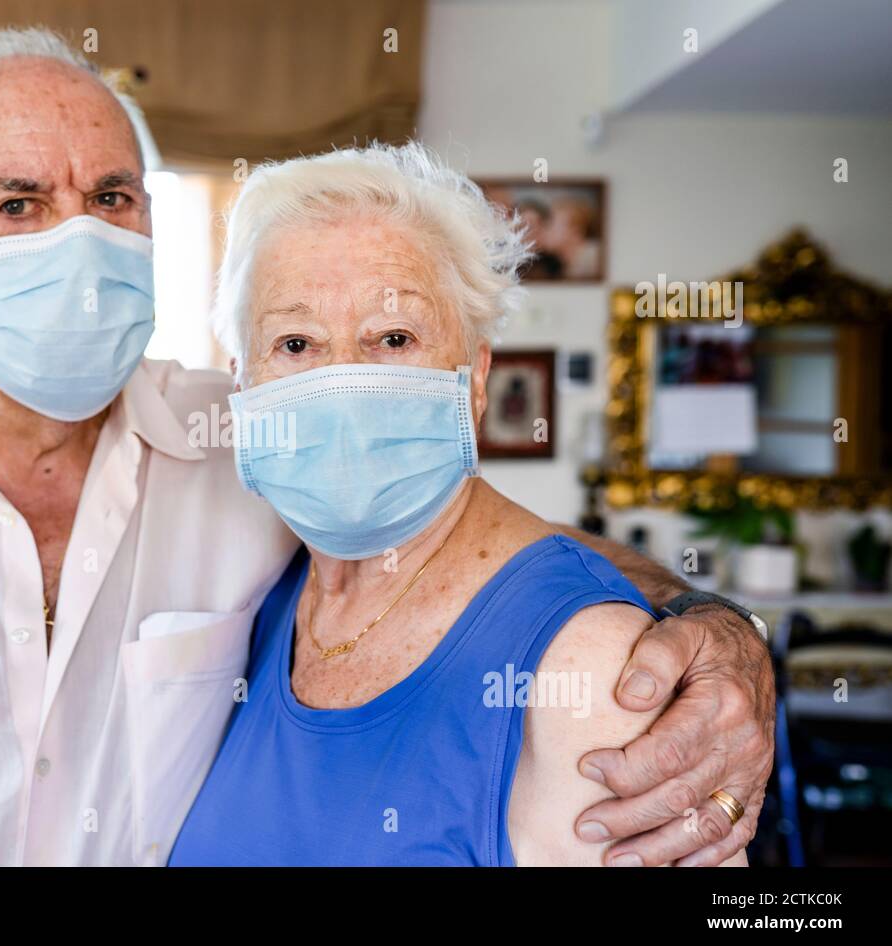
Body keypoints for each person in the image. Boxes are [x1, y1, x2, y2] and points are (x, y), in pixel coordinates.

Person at [0, 28, 772, 867]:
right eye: (18, 203)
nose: (79, 235)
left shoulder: (256, 440)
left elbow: (486, 554)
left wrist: (720, 636)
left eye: (111, 196)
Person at [170, 143, 763, 865]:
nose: (344, 387)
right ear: (241, 384)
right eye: (295, 342)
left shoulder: (592, 671)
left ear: (476, 375)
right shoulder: (267, 593)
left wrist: (729, 623)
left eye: (394, 337)